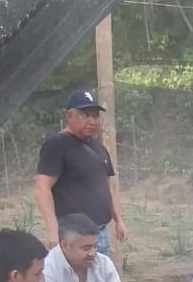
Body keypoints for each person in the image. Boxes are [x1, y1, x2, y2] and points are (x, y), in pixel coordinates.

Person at [34, 88, 127, 255]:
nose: (92, 121)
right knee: (73, 273)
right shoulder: (57, 145)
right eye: (85, 115)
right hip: (73, 235)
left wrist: (118, 220)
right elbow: (42, 187)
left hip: (100, 232)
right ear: (69, 116)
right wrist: (52, 229)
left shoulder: (99, 148)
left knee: (98, 272)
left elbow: (108, 188)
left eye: (95, 116)